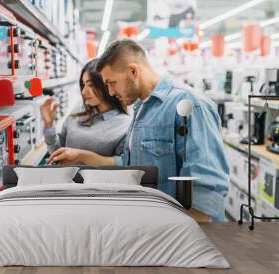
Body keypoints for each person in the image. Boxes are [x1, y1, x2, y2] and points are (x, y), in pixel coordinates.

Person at [48, 39, 229, 222]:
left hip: (181, 230)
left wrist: (187, 239)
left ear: (133, 71)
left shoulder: (189, 104)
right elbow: (130, 163)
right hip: (154, 221)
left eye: (112, 83)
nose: (110, 92)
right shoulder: (141, 109)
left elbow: (205, 185)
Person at [41, 58, 131, 160]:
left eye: (91, 85)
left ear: (106, 84)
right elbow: (57, 152)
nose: (84, 92)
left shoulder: (125, 125)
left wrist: (82, 157)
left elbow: (120, 168)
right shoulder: (78, 109)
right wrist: (49, 125)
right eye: (83, 84)